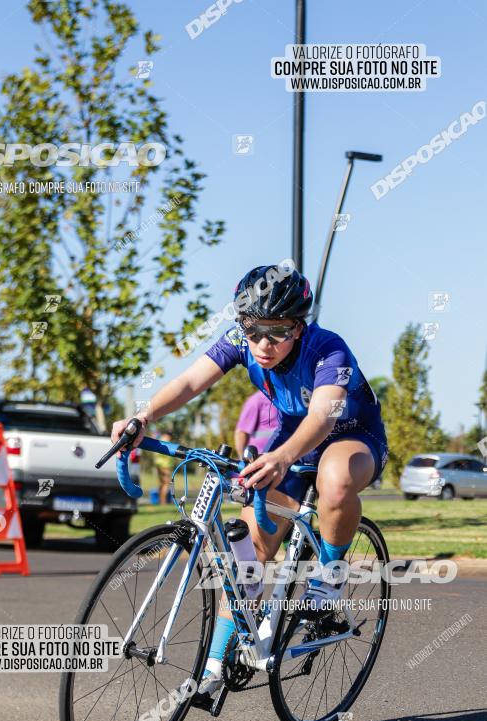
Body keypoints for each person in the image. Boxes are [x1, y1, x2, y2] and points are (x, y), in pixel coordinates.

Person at [111, 264, 388, 698]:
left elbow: (322, 415)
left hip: (351, 436)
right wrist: (144, 416)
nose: (262, 344)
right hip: (289, 441)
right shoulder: (243, 342)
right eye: (252, 329)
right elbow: (188, 382)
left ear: (298, 326)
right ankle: (215, 666)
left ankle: (330, 577)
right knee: (248, 557)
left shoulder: (328, 349)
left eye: (276, 332)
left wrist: (281, 456)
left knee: (334, 480)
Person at [234, 390, 277, 458]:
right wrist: (243, 459)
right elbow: (241, 432)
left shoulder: (285, 400)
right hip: (260, 459)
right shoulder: (256, 400)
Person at [153, 430, 174, 503]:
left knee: (162, 483)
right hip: (165, 466)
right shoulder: (166, 442)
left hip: (159, 465)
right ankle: (163, 501)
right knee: (165, 484)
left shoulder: (160, 440)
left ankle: (161, 500)